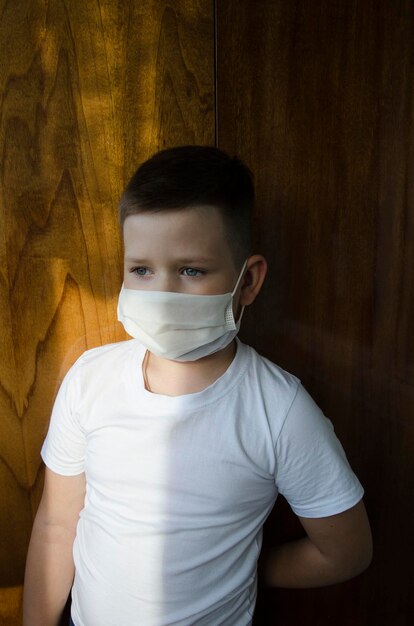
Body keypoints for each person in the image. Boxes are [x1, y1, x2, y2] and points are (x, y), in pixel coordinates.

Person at [23, 145, 373, 626]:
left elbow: (346, 552)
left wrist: (249, 569)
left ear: (247, 282)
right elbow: (56, 524)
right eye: (141, 269)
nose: (162, 295)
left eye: (190, 270)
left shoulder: (279, 411)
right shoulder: (90, 381)